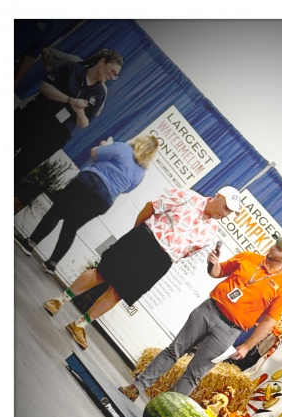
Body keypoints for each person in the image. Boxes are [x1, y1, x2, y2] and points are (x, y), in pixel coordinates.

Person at [41, 185, 242, 350]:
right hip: (144, 239)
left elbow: (189, 252)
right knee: (102, 273)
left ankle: (80, 324)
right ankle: (59, 301)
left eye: (230, 212)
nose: (225, 214)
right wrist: (137, 233)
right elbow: (151, 207)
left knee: (120, 292)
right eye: (225, 207)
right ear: (217, 196)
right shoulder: (188, 197)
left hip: (162, 261)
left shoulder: (211, 231)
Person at [118, 236, 282, 402]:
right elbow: (218, 272)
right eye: (275, 243)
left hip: (230, 330)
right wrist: (212, 264)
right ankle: (135, 388)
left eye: (279, 248)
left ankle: (163, 409)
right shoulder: (248, 257)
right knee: (173, 351)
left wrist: (247, 346)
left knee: (195, 373)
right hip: (209, 310)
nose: (273, 247)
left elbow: (269, 321)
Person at [15, 134, 158, 275]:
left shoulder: (122, 148)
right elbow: (126, 190)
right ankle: (52, 264)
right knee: (71, 227)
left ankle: (30, 244)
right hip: (104, 199)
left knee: (57, 212)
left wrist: (103, 146)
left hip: (87, 182)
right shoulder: (141, 174)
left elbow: (94, 154)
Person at [14, 48, 123, 184]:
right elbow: (44, 87)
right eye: (112, 71)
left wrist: (79, 111)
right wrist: (69, 100)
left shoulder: (100, 93)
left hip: (56, 134)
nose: (111, 77)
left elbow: (84, 123)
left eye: (115, 75)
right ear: (102, 62)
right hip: (36, 115)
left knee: (20, 169)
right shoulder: (73, 68)